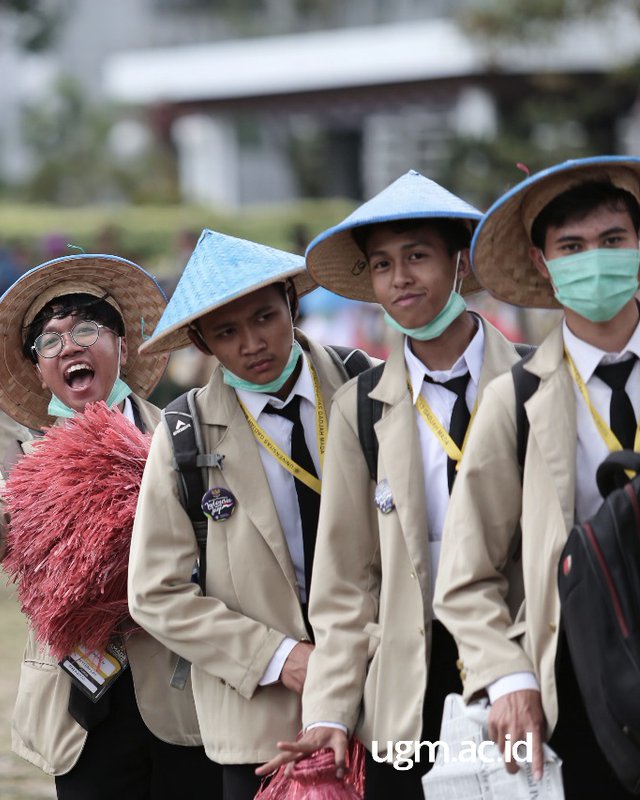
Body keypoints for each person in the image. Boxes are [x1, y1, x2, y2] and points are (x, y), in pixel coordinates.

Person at [0, 253, 221, 798]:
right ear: (40, 368)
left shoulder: (183, 437)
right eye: (49, 340)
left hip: (183, 694)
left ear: (123, 344)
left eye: (87, 329)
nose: (68, 346)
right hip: (80, 709)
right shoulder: (29, 460)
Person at [255, 170, 527, 796]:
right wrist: (328, 710)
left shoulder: (533, 386)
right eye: (382, 264)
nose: (400, 278)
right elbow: (345, 583)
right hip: (407, 689)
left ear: (460, 263)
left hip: (520, 668)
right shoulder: (362, 409)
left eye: (417, 256)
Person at [127, 229, 372, 800]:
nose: (253, 343)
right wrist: (280, 659)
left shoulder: (370, 384)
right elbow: (155, 594)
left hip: (383, 690)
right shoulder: (182, 432)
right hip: (263, 722)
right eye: (227, 332)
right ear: (201, 341)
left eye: (265, 317)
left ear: (292, 300)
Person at [433, 156, 640, 799]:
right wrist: (509, 677)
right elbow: (465, 576)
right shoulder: (514, 399)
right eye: (572, 248)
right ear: (543, 262)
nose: (595, 260)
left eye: (613, 241)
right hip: (585, 677)